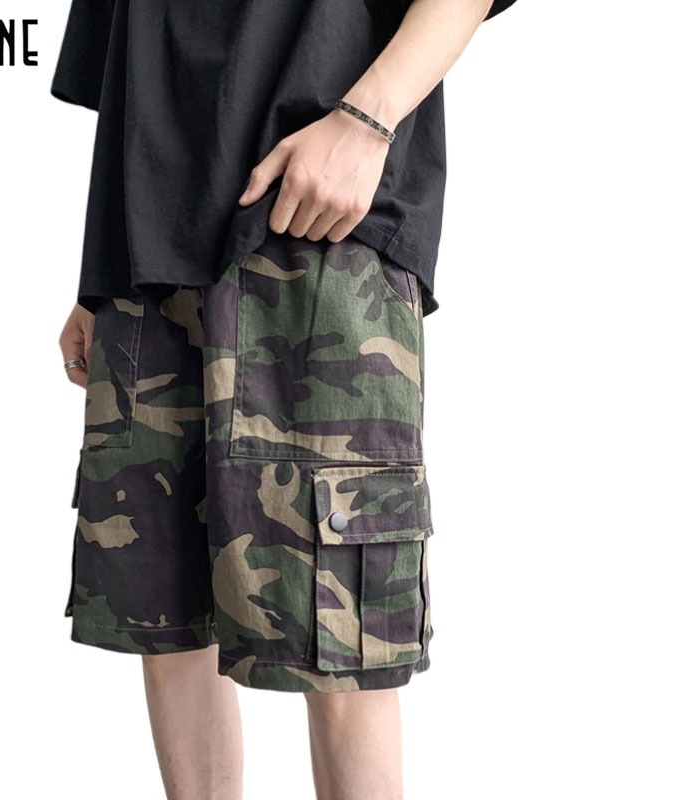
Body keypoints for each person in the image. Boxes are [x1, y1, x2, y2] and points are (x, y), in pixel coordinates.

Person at [53, 1, 518, 797]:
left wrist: (366, 121)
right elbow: (129, 67)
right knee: (167, 625)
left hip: (316, 234)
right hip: (144, 265)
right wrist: (97, 282)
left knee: (341, 649)